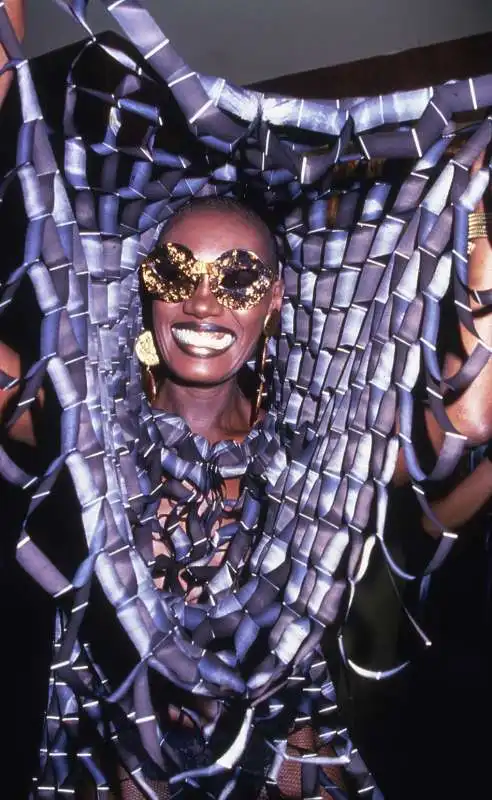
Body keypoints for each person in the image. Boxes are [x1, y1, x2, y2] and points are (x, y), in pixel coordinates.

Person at [1, 2, 492, 798]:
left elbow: (456, 450)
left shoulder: (325, 459)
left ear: (276, 302)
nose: (202, 304)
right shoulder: (73, 424)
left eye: (238, 279)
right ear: (140, 289)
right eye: (174, 275)